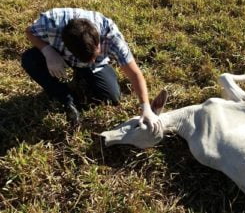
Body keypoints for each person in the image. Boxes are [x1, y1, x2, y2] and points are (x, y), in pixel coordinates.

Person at [21, 7, 159, 133]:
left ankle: (83, 74)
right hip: (60, 56)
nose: (89, 60)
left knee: (111, 97)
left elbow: (134, 73)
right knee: (29, 59)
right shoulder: (50, 21)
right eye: (82, 57)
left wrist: (145, 107)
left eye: (93, 56)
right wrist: (47, 50)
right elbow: (29, 31)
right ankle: (64, 96)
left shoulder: (112, 38)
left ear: (98, 42)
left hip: (95, 67)